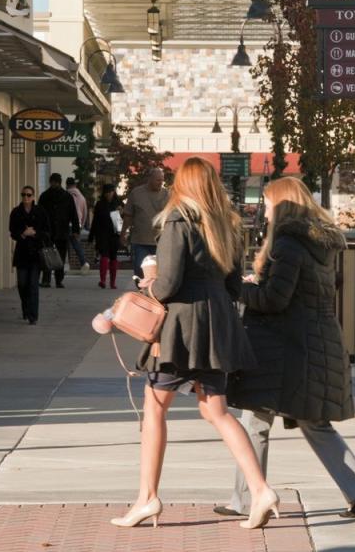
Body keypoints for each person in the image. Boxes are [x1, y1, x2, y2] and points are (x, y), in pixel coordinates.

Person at [112, 157, 277, 531]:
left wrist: (147, 282)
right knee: (217, 411)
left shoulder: (177, 222)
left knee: (154, 409)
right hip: (218, 324)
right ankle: (261, 488)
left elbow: (168, 285)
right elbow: (235, 285)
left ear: (182, 185)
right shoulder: (228, 224)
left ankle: (147, 498)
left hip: (183, 328)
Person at [222, 177, 355, 520]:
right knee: (306, 419)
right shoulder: (315, 243)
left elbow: (274, 299)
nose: (264, 212)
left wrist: (237, 288)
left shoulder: (289, 245)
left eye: (268, 203)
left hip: (285, 346)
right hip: (308, 341)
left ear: (283, 204)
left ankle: (247, 500)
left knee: (257, 419)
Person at [9, 186, 50, 325]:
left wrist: (35, 233)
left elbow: (47, 231)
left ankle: (33, 316)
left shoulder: (40, 212)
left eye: (28, 195)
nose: (26, 198)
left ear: (33, 197)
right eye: (23, 195)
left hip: (36, 254)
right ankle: (26, 308)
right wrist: (22, 234)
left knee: (33, 285)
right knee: (22, 284)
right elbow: (12, 232)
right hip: (21, 254)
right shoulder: (16, 212)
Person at [120, 167, 169, 282]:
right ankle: (142, 292)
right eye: (158, 180)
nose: (161, 182)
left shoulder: (168, 195)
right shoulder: (136, 193)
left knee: (160, 273)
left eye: (162, 180)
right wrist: (123, 233)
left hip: (162, 241)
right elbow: (128, 216)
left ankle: (155, 295)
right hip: (140, 241)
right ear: (150, 179)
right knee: (140, 269)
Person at [38, 173, 80, 288]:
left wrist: (76, 229)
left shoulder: (67, 196)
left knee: (61, 256)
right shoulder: (44, 196)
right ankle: (46, 279)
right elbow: (39, 214)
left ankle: (58, 279)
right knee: (47, 255)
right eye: (52, 182)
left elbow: (73, 214)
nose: (54, 184)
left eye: (55, 182)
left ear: (59, 183)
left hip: (62, 230)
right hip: (48, 230)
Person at [88, 184, 120, 289]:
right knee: (104, 256)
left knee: (114, 257)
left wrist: (123, 234)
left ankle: (113, 282)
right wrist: (91, 236)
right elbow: (95, 221)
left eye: (111, 192)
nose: (109, 194)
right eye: (107, 192)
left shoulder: (118, 204)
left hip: (114, 234)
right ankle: (102, 280)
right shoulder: (100, 205)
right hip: (102, 234)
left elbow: (122, 220)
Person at [66, 177, 90, 273]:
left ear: (67, 184)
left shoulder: (65, 195)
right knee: (76, 245)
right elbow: (85, 213)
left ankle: (65, 265)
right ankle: (83, 262)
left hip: (66, 224)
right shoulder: (82, 197)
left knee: (64, 245)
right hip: (77, 224)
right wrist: (81, 225)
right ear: (75, 185)